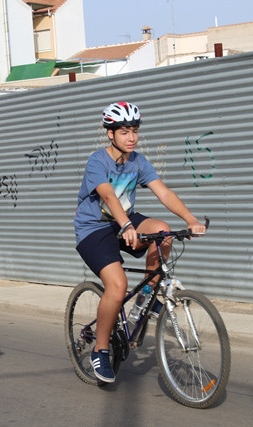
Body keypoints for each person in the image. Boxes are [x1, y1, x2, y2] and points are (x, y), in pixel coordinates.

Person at [74, 102, 206, 383]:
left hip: (125, 222)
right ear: (110, 134)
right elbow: (109, 196)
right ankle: (100, 350)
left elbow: (164, 193)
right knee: (118, 285)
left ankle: (146, 294)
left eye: (134, 131)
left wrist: (191, 219)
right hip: (94, 229)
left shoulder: (138, 161)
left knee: (164, 232)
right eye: (124, 132)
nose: (131, 137)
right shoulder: (97, 161)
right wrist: (125, 225)